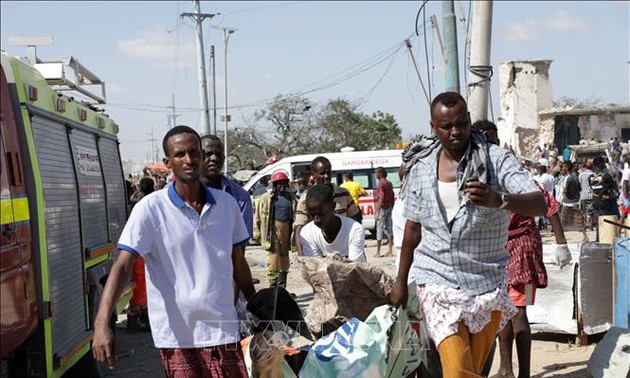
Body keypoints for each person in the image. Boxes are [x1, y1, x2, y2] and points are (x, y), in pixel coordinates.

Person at [390, 92, 547, 378]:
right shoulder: (421, 167)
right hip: (437, 282)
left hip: (486, 284)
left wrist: (498, 200)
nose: (455, 132)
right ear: (433, 127)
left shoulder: (496, 161)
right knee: (456, 370)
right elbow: (412, 228)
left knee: (472, 371)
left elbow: (539, 203)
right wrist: (401, 282)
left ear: (469, 121)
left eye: (461, 124)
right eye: (446, 126)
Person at [92, 125, 255, 377]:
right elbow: (123, 265)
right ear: (168, 162)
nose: (189, 160)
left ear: (201, 155)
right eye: (180, 154)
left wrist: (257, 307)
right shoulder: (150, 209)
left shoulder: (227, 205)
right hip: (177, 337)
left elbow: (238, 263)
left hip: (223, 329)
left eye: (193, 152)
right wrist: (102, 323)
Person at [476, 120, 548, 378]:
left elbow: (546, 204)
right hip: (498, 252)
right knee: (500, 313)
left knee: (518, 313)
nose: (488, 141)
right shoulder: (478, 171)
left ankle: (524, 374)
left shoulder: (508, 168)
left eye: (491, 136)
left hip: (522, 249)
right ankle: (506, 369)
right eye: (483, 137)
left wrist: (561, 243)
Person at [294, 156, 359, 255]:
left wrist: (357, 245)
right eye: (322, 173)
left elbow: (355, 219)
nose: (326, 176)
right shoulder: (306, 199)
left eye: (329, 172)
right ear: (313, 175)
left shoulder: (343, 194)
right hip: (319, 252)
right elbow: (299, 228)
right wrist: (300, 253)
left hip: (344, 250)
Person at [299, 184, 366, 262]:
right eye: (312, 215)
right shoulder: (307, 233)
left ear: (333, 207)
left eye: (321, 214)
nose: (316, 220)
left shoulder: (354, 230)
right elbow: (316, 268)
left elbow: (353, 269)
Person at [254, 170, 295, 287]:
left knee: (284, 259)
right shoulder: (266, 198)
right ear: (274, 185)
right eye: (279, 183)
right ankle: (273, 286)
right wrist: (257, 234)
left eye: (283, 183)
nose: (281, 185)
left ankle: (282, 287)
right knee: (273, 259)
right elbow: (257, 217)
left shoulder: (291, 198)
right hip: (271, 231)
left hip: (286, 230)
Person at [127, 177, 155, 333]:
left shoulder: (135, 200)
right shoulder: (149, 202)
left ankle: (140, 316)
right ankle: (136, 318)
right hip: (143, 248)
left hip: (134, 248)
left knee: (140, 284)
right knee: (142, 284)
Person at [590, 156, 618, 240]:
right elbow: (613, 187)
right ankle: (606, 238)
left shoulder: (591, 176)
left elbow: (592, 188)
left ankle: (598, 238)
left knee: (598, 221)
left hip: (595, 201)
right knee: (607, 220)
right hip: (604, 201)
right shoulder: (606, 176)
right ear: (601, 164)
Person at [560, 161, 589, 243]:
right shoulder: (576, 176)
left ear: (567, 167)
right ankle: (585, 236)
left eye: (563, 167)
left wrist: (563, 191)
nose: (562, 169)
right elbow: (579, 188)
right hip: (575, 201)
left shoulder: (567, 178)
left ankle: (562, 237)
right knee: (579, 219)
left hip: (567, 201)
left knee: (562, 220)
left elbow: (565, 191)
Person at [374, 166, 395, 258]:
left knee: (379, 228)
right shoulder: (389, 183)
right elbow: (392, 196)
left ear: (381, 173)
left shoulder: (381, 183)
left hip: (383, 209)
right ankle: (390, 251)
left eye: (376, 173)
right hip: (389, 207)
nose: (375, 175)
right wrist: (392, 207)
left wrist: (377, 211)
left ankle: (378, 252)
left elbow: (381, 197)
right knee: (389, 228)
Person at [578, 161, 595, 231]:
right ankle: (591, 227)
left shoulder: (581, 174)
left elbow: (579, 184)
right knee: (591, 212)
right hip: (591, 194)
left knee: (583, 212)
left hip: (583, 195)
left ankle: (584, 226)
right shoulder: (593, 174)